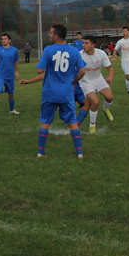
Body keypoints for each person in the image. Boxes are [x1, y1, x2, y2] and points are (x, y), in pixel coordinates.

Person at [21, 24, 87, 159]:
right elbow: (82, 71)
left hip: (50, 92)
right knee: (72, 122)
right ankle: (79, 153)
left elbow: (39, 70)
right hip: (66, 93)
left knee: (46, 121)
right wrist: (73, 82)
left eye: (51, 33)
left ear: (56, 36)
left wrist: (47, 65)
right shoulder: (74, 51)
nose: (49, 35)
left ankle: (40, 152)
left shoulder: (48, 50)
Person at [76, 35, 115, 133]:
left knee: (109, 97)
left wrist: (110, 77)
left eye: (86, 43)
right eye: (83, 43)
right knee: (95, 102)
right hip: (85, 82)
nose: (83, 45)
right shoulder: (79, 55)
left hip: (98, 79)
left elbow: (110, 69)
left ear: (93, 45)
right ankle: (92, 125)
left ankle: (105, 109)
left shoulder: (101, 54)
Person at [0, 33, 20, 118]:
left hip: (10, 76)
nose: (3, 40)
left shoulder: (14, 50)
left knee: (11, 93)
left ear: (9, 40)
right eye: (2, 39)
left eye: (5, 39)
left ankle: (11, 110)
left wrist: (17, 72)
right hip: (0, 76)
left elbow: (16, 62)